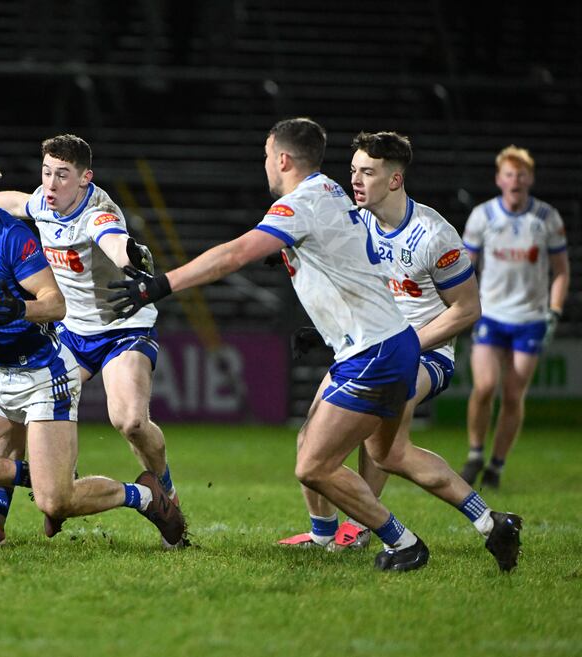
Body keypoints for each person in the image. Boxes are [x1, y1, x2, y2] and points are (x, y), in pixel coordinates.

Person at [111, 117, 447, 571]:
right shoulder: (330, 190)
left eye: (268, 156)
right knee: (339, 445)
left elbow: (232, 254)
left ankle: (401, 540)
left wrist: (161, 285)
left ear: (283, 159)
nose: (266, 164)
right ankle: (466, 522)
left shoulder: (302, 204)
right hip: (375, 344)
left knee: (324, 460)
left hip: (376, 349)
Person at [0, 146, 186, 548]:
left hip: (73, 353)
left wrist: (130, 259)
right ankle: (14, 500)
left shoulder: (22, 235)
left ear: (84, 177)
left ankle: (149, 496)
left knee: (66, 491)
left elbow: (78, 276)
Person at [276, 131, 521, 571]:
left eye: (367, 172)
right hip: (370, 346)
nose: (355, 180)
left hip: (427, 355)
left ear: (394, 179)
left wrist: (405, 342)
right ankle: (326, 534)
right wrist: (326, 329)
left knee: (378, 447)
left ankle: (366, 531)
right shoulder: (357, 221)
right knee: (322, 439)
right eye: (352, 170)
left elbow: (467, 310)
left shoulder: (434, 235)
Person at [460, 146, 569, 490]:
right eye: (509, 174)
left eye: (521, 174)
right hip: (491, 314)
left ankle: (496, 464)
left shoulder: (547, 218)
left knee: (512, 395)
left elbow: (561, 271)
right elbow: (466, 267)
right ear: (499, 179)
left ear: (530, 179)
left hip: (530, 318)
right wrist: (464, 305)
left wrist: (553, 312)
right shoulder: (483, 217)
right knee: (484, 387)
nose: (515, 180)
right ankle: (476, 452)